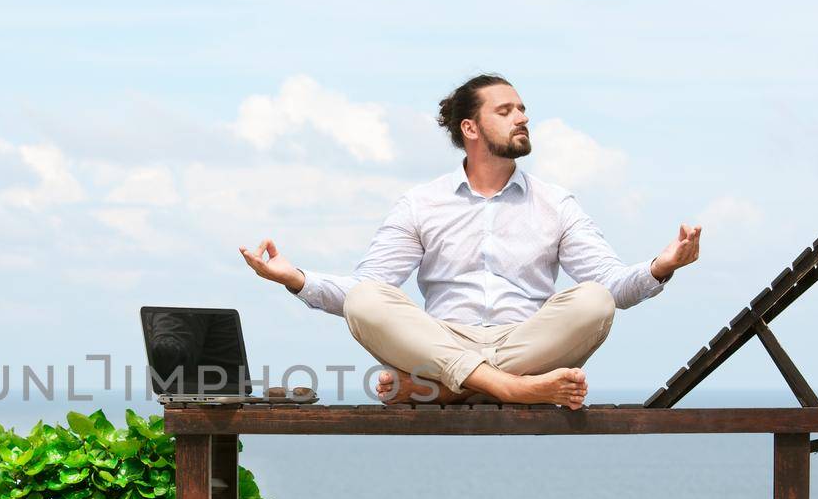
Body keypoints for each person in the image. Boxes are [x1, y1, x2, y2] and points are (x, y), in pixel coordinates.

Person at [239, 74, 702, 408]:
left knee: (594, 302)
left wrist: (663, 265)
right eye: (506, 111)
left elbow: (612, 286)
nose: (521, 118)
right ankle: (509, 390)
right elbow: (369, 286)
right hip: (444, 339)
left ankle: (449, 389)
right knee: (365, 301)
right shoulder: (421, 203)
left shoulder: (557, 203)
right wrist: (295, 279)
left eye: (522, 110)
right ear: (470, 128)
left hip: (524, 342)